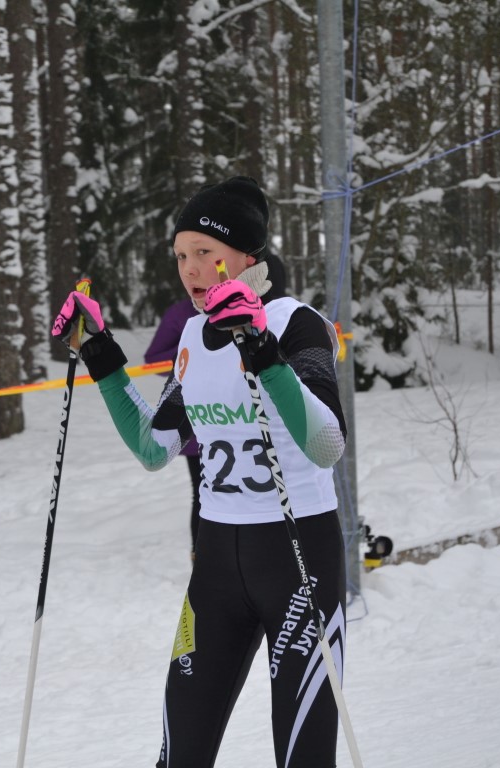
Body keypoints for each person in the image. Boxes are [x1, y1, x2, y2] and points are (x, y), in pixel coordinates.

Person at [51, 176, 348, 768]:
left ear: (247, 256)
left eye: (204, 252)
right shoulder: (192, 335)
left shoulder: (297, 322)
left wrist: (263, 352)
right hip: (216, 569)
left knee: (304, 756)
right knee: (180, 753)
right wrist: (99, 353)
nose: (189, 268)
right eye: (180, 255)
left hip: (298, 562)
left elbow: (326, 444)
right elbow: (154, 445)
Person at [142, 297, 203, 554]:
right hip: (193, 424)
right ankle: (199, 556)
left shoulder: (247, 303)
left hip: (240, 421)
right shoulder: (180, 312)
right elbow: (152, 359)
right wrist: (190, 349)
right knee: (203, 494)